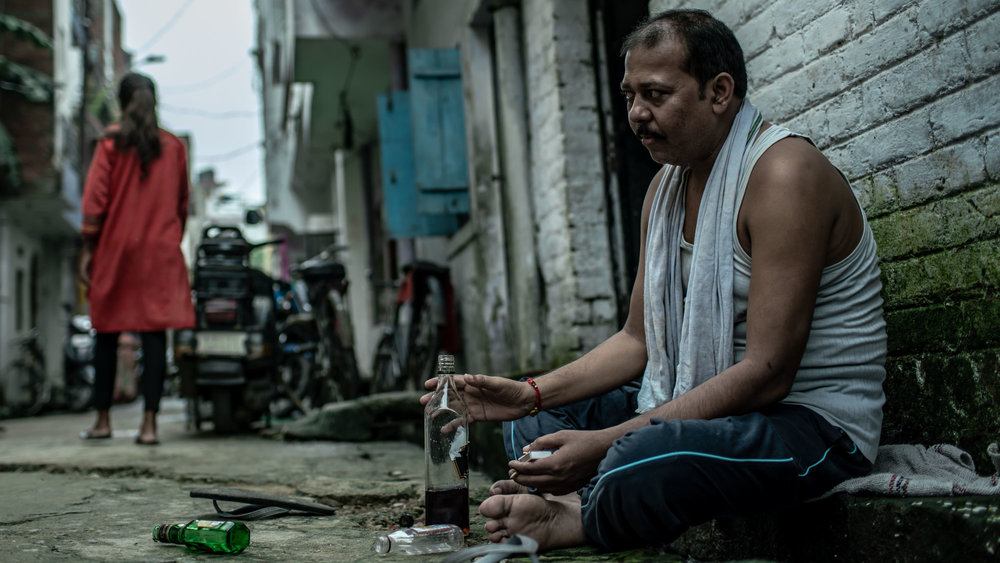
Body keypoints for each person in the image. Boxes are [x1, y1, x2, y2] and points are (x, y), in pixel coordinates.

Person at [424, 9, 887, 551]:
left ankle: (573, 516)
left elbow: (767, 374)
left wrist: (602, 445)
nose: (637, 115)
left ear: (719, 92)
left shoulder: (784, 176)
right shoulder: (664, 191)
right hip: (706, 406)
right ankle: (586, 496)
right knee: (536, 429)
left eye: (656, 95)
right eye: (629, 96)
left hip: (810, 427)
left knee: (639, 458)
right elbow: (636, 340)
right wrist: (528, 394)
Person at [78, 72, 195, 445]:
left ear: (123, 102)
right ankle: (149, 426)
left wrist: (88, 247)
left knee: (107, 333)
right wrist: (168, 238)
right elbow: (182, 204)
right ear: (154, 101)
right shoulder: (174, 147)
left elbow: (95, 201)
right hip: (159, 251)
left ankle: (102, 421)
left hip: (117, 249)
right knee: (154, 335)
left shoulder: (111, 144)